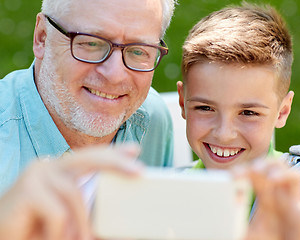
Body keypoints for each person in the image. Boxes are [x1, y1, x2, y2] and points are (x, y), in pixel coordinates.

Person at [177, 3, 300, 240]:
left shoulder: (295, 179)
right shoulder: (173, 187)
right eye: (205, 108)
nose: (224, 133)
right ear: (183, 103)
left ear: (282, 111)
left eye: (248, 113)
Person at [0, 0, 176, 239]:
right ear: (42, 37)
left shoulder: (151, 119)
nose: (114, 76)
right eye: (91, 43)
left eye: (138, 51)